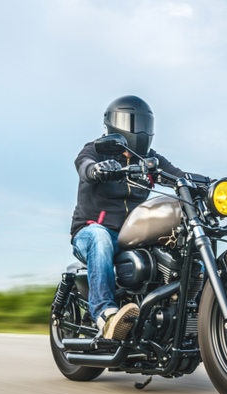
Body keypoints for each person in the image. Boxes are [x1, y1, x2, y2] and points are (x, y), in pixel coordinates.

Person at [70, 95, 188, 340]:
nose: (139, 130)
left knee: (178, 240)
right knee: (100, 237)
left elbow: (180, 176)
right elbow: (84, 165)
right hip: (91, 232)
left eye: (144, 124)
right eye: (133, 123)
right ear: (114, 124)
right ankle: (106, 315)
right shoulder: (95, 150)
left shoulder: (149, 160)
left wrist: (218, 185)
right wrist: (96, 170)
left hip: (131, 237)